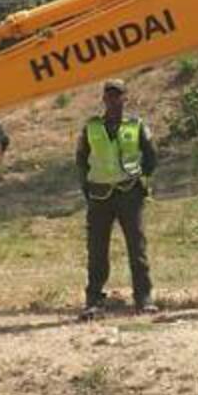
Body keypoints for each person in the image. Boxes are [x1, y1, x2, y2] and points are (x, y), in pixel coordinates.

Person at [76, 79, 158, 318]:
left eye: (118, 96)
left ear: (125, 98)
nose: (113, 101)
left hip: (129, 193)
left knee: (137, 247)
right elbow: (81, 160)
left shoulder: (136, 125)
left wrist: (143, 181)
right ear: (103, 99)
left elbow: (151, 157)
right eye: (109, 96)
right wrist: (87, 189)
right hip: (99, 195)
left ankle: (143, 298)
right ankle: (94, 301)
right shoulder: (90, 127)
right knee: (97, 250)